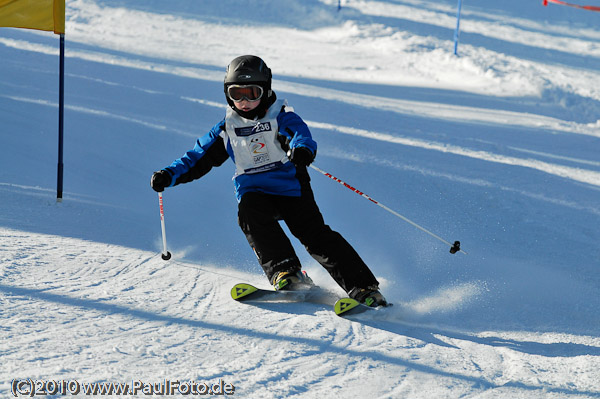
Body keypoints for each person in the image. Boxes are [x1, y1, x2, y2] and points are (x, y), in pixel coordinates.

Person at [151, 55, 387, 307]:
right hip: (255, 190)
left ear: (266, 90)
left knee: (316, 237)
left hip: (291, 189)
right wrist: (169, 174)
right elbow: (197, 157)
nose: (243, 101)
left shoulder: (280, 117)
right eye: (236, 94)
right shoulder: (226, 129)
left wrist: (302, 150)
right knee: (249, 214)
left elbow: (300, 135)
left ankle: (364, 288)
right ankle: (286, 272)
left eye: (252, 93)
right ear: (226, 93)